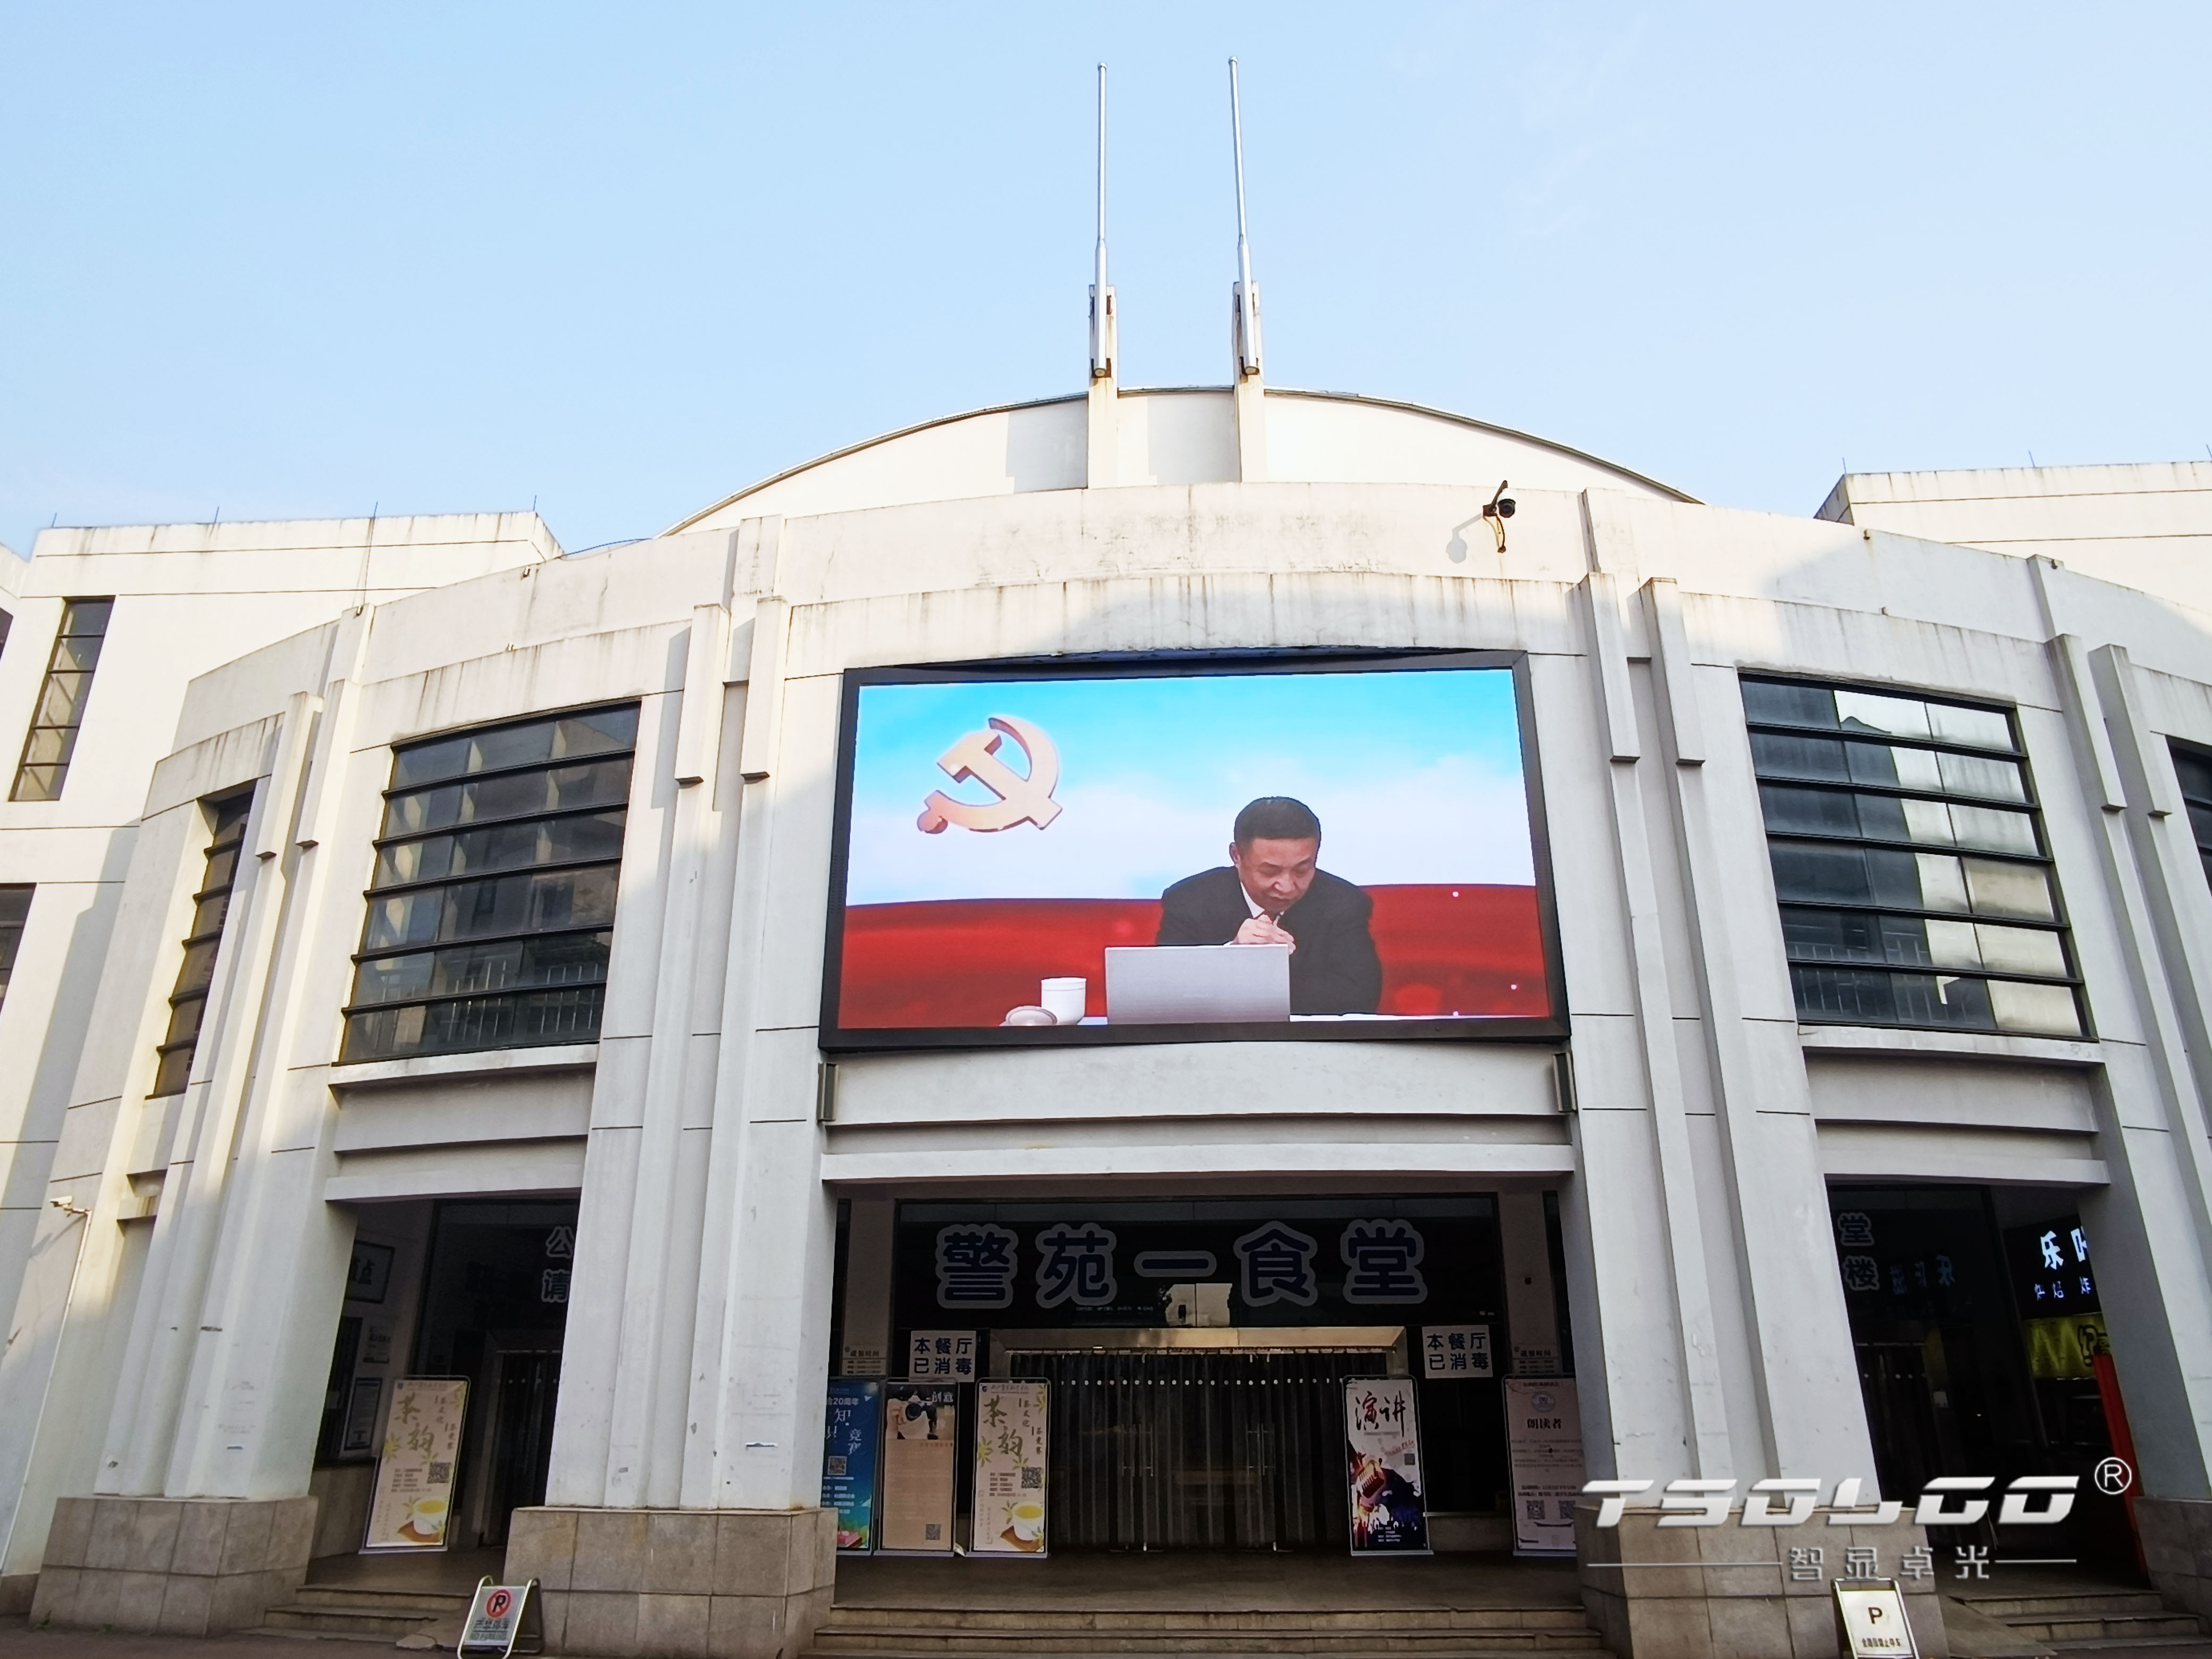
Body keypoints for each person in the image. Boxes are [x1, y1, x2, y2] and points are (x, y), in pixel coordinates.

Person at [1155, 797, 1382, 1015]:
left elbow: (1360, 998)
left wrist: (1272, 971)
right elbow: (1164, 994)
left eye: (1302, 870)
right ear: (1237, 856)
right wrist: (1232, 957)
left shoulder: (1344, 904)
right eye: (1270, 871)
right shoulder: (1189, 901)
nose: (1287, 886)